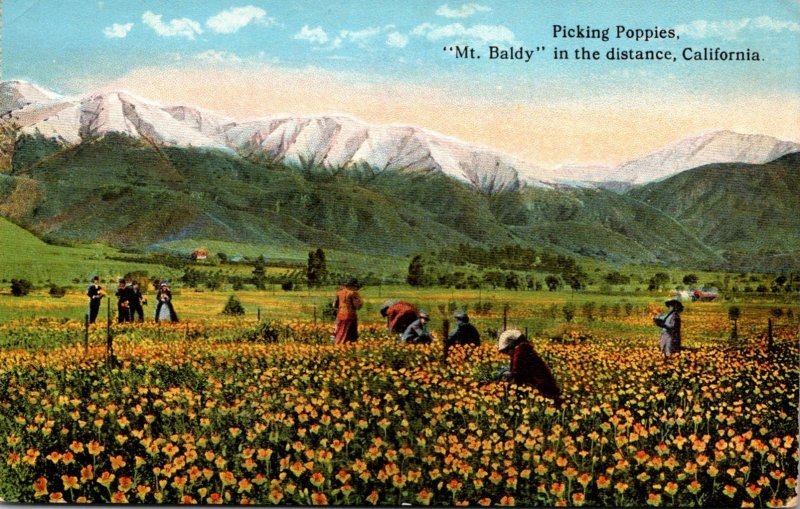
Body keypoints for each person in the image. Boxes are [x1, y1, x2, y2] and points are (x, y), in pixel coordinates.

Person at [497, 329, 562, 404]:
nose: (506, 353)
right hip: (543, 389)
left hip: (541, 392)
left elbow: (517, 375)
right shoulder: (525, 350)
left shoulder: (520, 353)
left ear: (511, 345)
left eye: (506, 350)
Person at [333, 277, 363, 344]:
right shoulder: (353, 293)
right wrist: (359, 299)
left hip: (340, 315)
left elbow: (334, 305)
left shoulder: (339, 293)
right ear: (353, 285)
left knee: (340, 332)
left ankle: (338, 345)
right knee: (351, 335)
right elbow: (357, 306)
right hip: (350, 315)